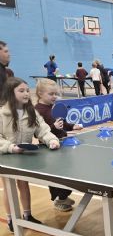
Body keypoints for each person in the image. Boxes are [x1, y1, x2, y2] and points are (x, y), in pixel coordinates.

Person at [0, 77, 60, 232]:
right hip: (6, 156)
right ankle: (11, 219)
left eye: (27, 90)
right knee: (9, 187)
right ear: (10, 93)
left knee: (24, 184)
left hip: (24, 156)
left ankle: (27, 215)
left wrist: (52, 140)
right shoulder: (1, 114)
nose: (26, 93)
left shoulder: (32, 112)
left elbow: (43, 130)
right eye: (21, 91)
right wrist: (10, 147)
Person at [34, 78, 83, 211]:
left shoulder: (53, 107)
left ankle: (63, 197)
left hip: (63, 144)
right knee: (56, 176)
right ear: (40, 94)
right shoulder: (37, 111)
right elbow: (37, 133)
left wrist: (72, 126)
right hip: (49, 148)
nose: (54, 96)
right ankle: (59, 199)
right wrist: (53, 127)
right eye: (51, 94)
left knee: (67, 172)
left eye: (56, 94)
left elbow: (62, 123)